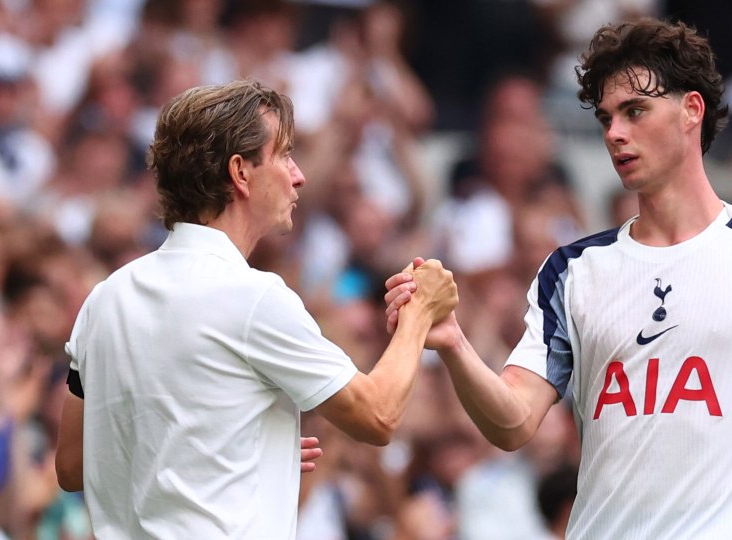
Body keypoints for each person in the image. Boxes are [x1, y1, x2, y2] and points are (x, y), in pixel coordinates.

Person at [385, 18, 732, 540]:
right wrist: (452, 343)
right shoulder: (572, 271)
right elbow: (514, 422)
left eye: (635, 111)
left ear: (691, 112)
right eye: (607, 118)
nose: (614, 133)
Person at [54, 80, 458, 539]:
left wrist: (250, 450)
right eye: (284, 154)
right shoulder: (254, 297)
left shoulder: (104, 298)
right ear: (240, 173)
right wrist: (419, 313)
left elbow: (72, 467)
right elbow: (378, 415)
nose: (298, 173)